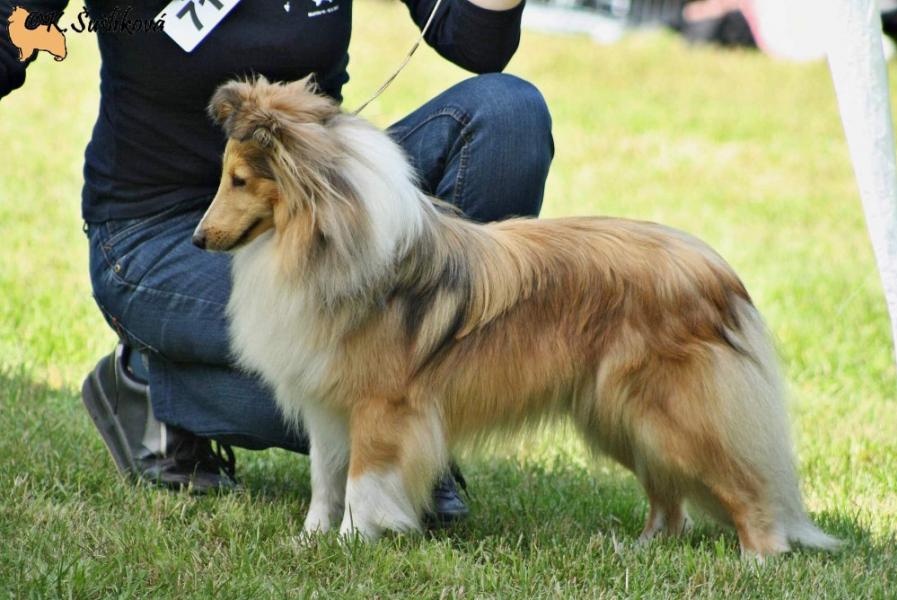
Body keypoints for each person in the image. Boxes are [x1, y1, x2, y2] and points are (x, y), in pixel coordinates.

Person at [0, 0, 554, 524]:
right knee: (331, 391)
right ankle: (148, 384)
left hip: (314, 206)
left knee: (508, 115)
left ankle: (417, 398)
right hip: (160, 230)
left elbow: (475, 42)